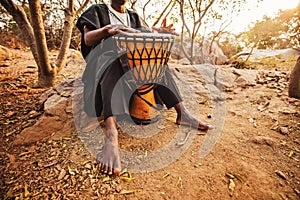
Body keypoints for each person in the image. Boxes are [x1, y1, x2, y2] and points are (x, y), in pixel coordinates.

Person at [76, 0, 213, 176]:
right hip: (103, 66)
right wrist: (107, 30)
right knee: (111, 60)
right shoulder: (98, 11)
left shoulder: (133, 16)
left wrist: (158, 32)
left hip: (131, 67)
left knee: (157, 62)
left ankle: (183, 114)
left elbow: (145, 39)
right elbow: (87, 39)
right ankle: (111, 133)